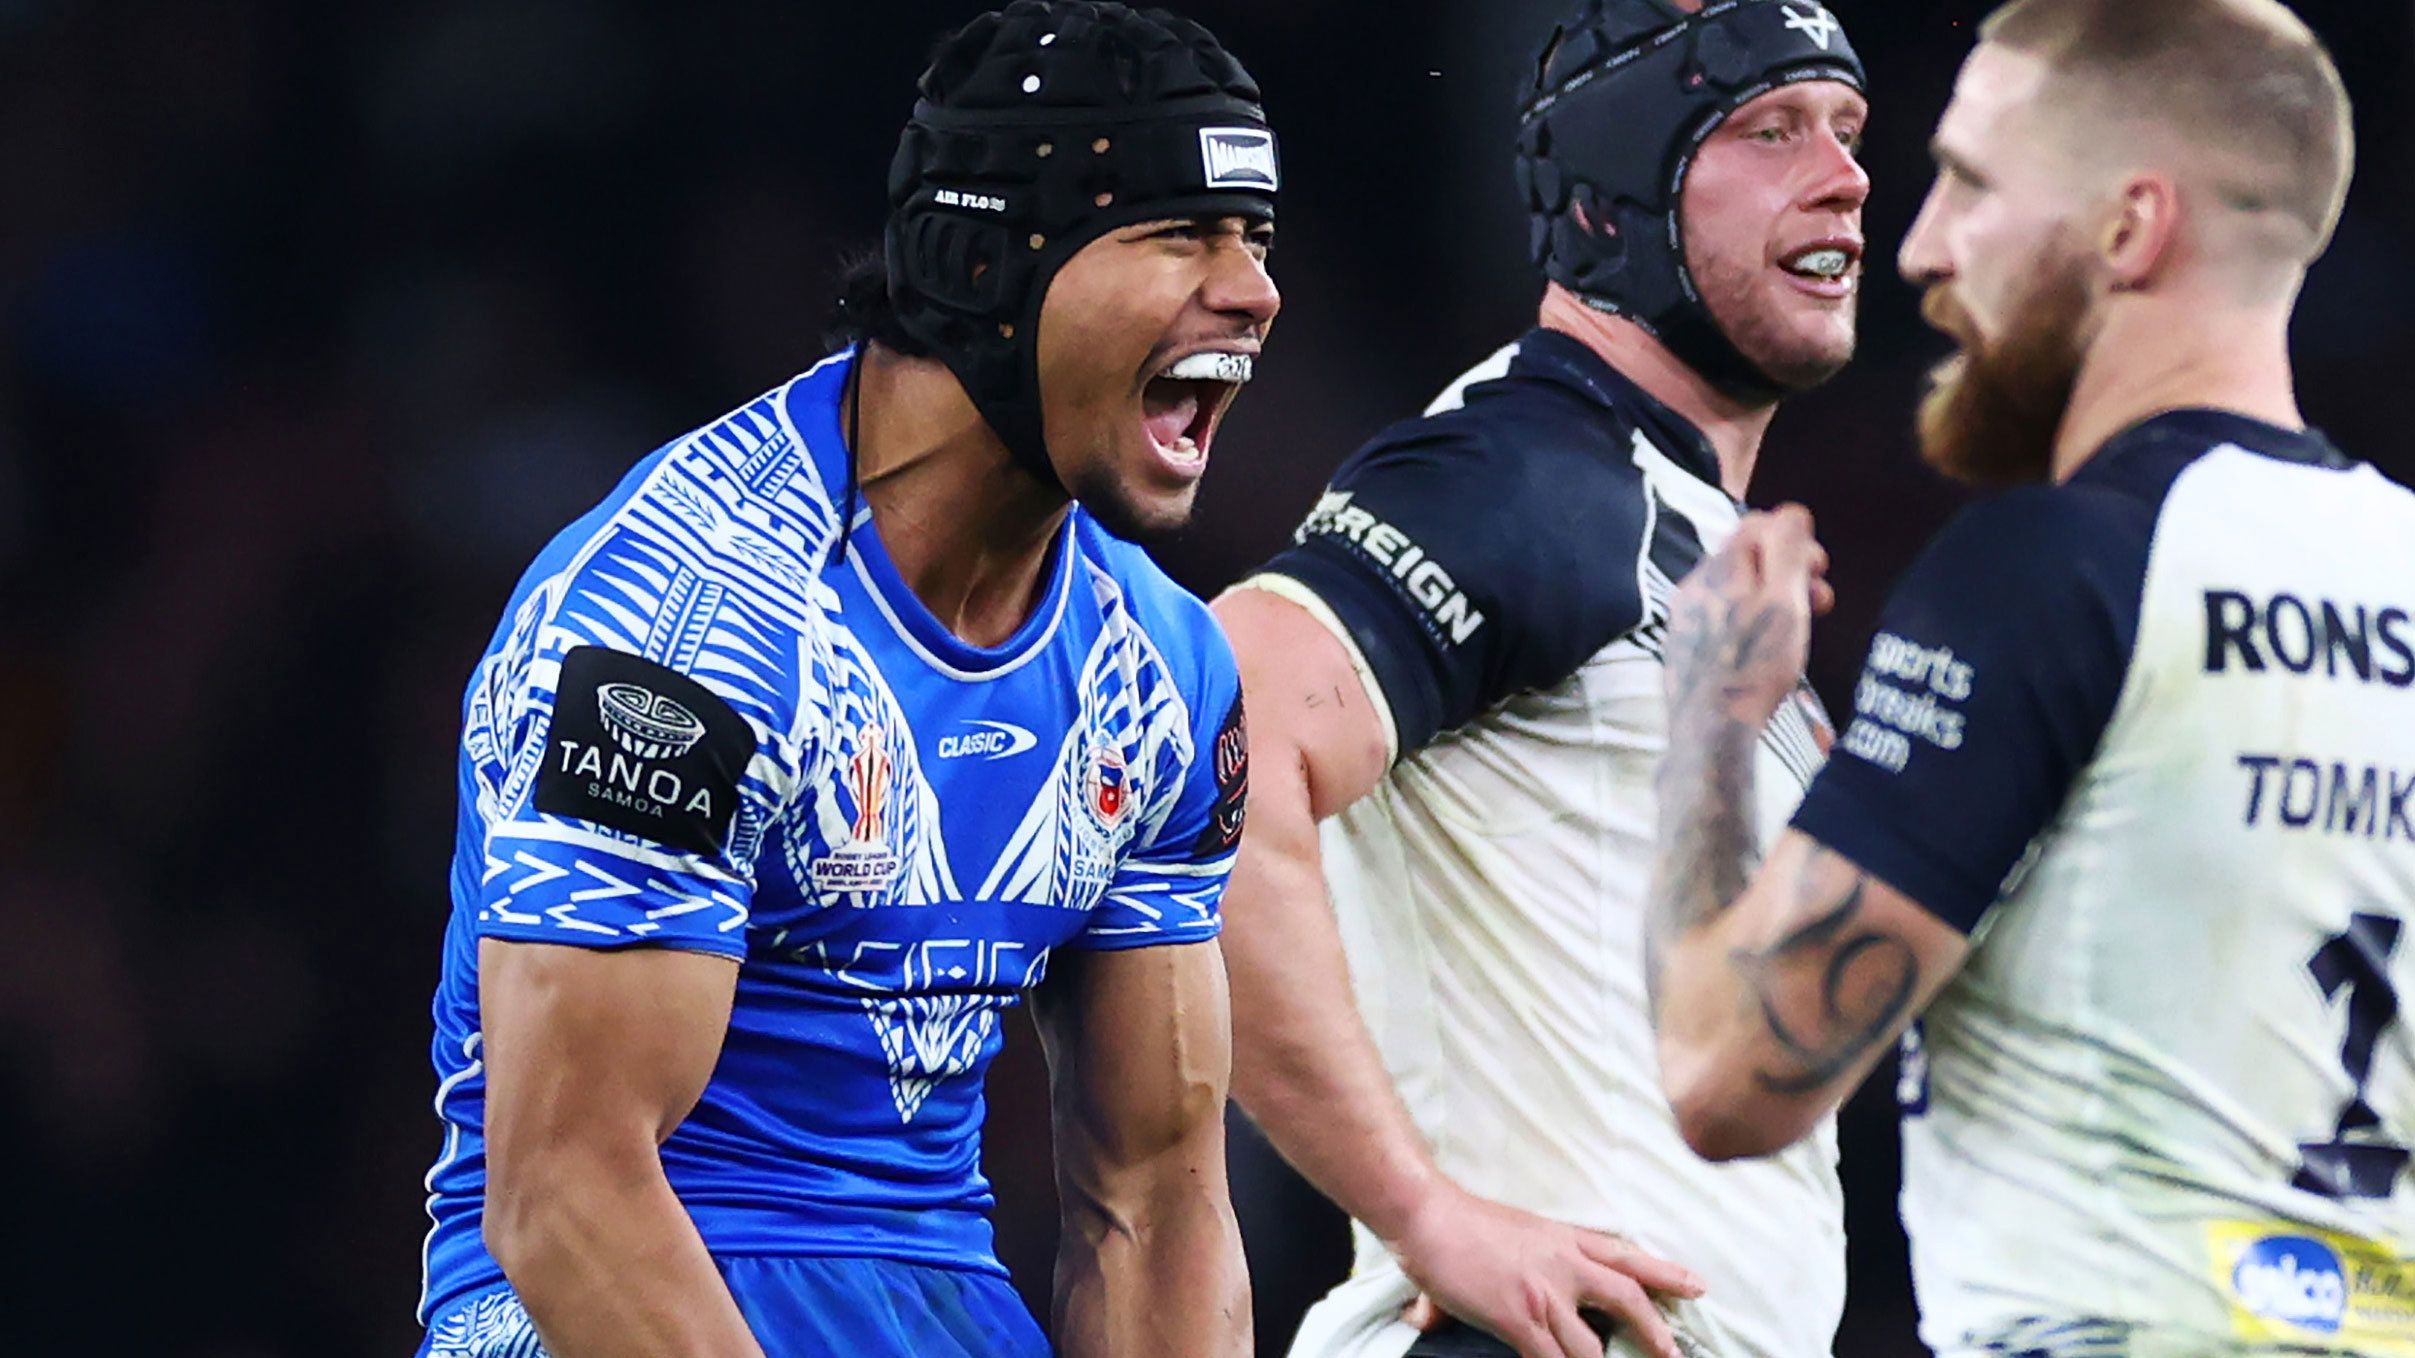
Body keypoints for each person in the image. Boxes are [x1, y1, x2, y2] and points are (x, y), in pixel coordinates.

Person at [411, 4, 1279, 1355]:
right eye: (1180, 231)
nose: (1253, 291)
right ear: (984, 257)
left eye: (1254, 239)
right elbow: (567, 1191)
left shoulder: (1165, 667)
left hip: (933, 1296)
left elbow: (1152, 1203)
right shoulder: (682, 628)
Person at [1644, 1, 2415, 1354]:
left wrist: (1707, 721)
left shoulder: (2051, 567)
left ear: (2130, 230)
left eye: (1974, 185)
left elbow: (1726, 1079)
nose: (1924, 244)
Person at [1211, 3, 1869, 1355]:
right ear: (1619, 189)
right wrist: (1426, 1211)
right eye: (1771, 128)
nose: (1847, 173)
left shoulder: (1672, 538)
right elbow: (1218, 737)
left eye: (1850, 129)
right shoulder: (1540, 475)